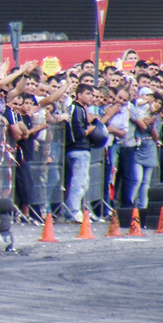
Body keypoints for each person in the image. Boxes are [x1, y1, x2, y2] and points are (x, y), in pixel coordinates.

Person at [64, 84, 94, 222]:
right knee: (79, 183)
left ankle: (71, 209)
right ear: (79, 95)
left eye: (92, 94)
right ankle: (73, 211)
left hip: (75, 150)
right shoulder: (77, 109)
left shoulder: (79, 109)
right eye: (88, 93)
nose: (91, 97)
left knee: (81, 182)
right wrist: (90, 129)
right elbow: (79, 133)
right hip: (79, 149)